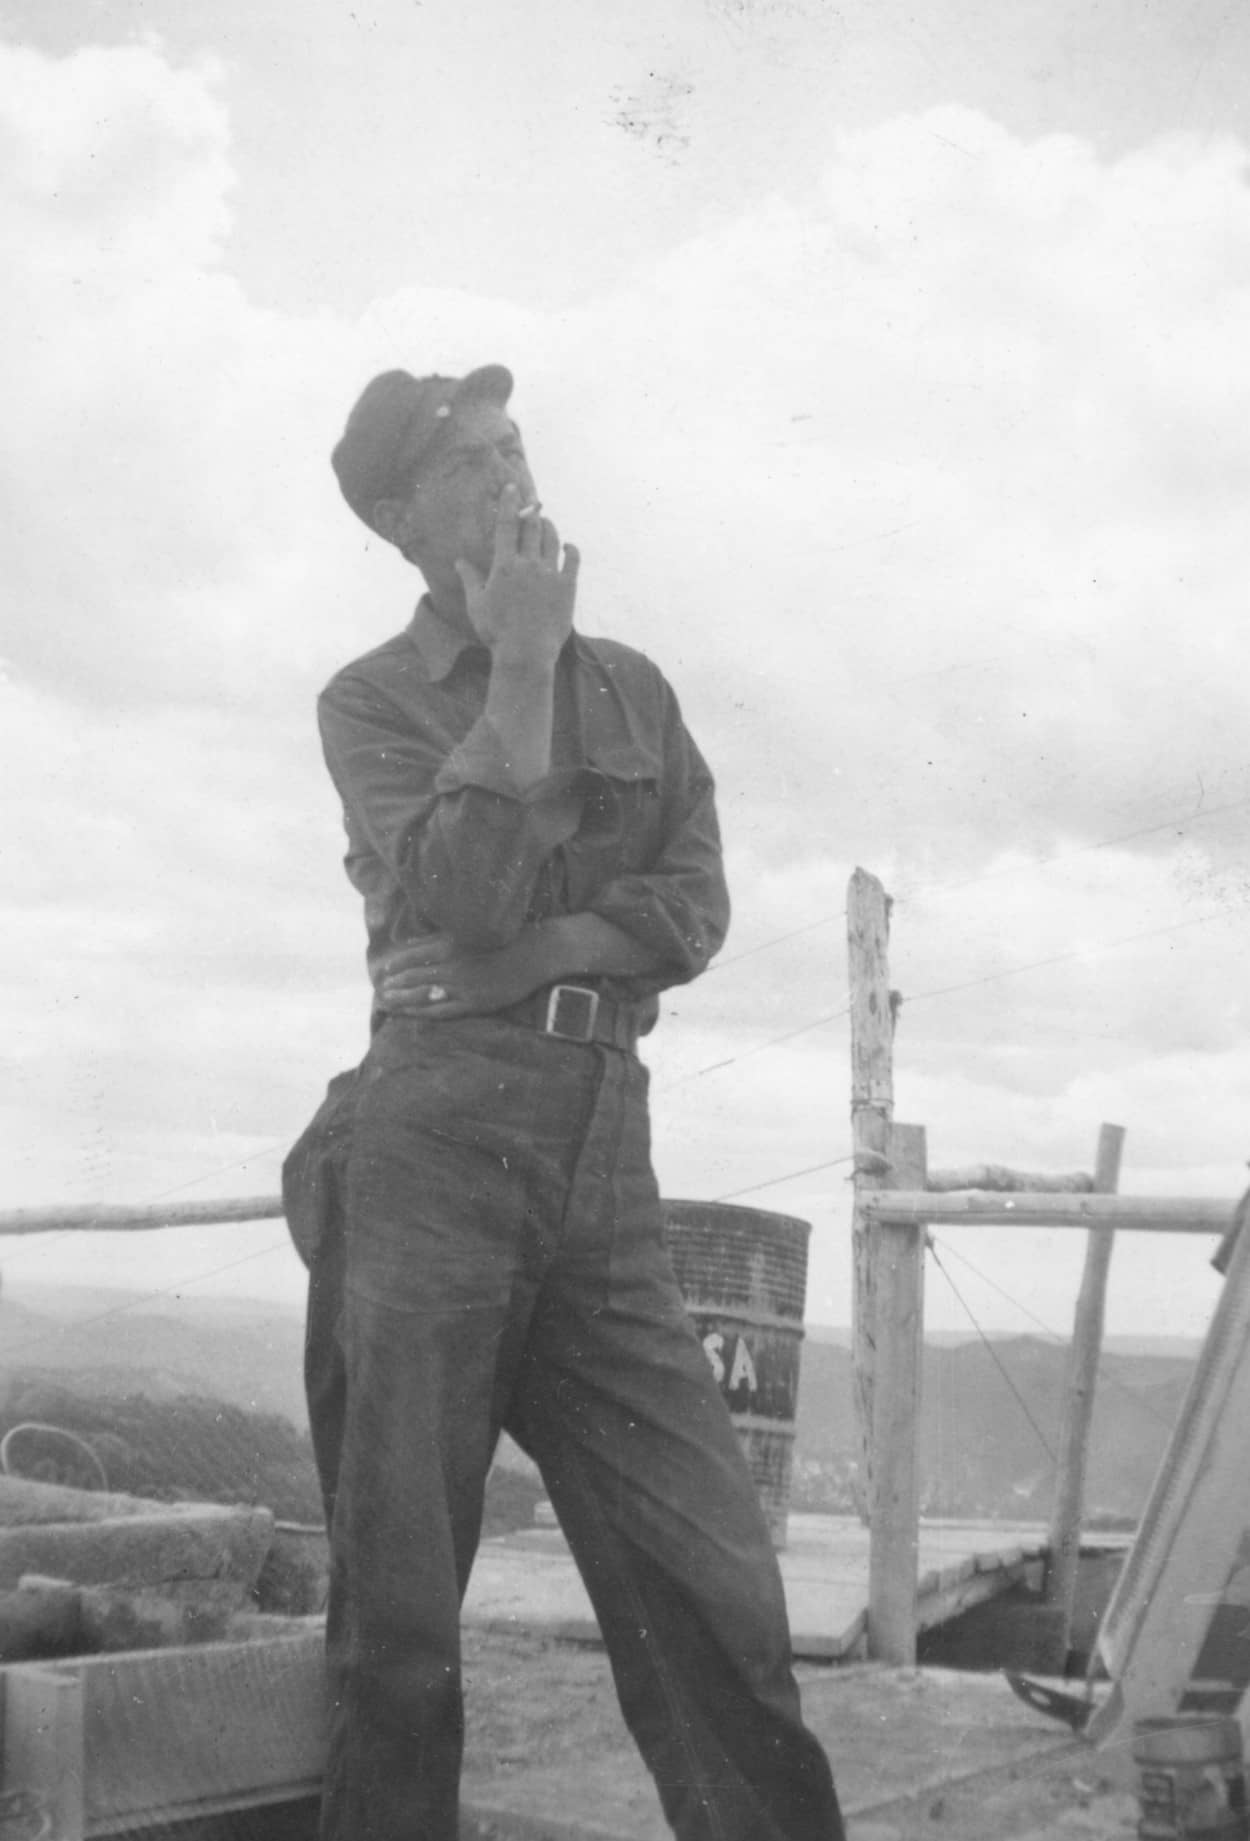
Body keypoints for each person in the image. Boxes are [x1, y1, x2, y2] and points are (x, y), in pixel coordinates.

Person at [295, 361, 845, 1841]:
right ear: (401, 516)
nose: (513, 476)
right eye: (473, 463)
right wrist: (520, 669)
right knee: (403, 1611)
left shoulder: (637, 687)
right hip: (431, 1145)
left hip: (602, 1140)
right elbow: (464, 890)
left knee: (713, 1583)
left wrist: (539, 948)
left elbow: (691, 906)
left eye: (517, 445)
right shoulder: (372, 700)